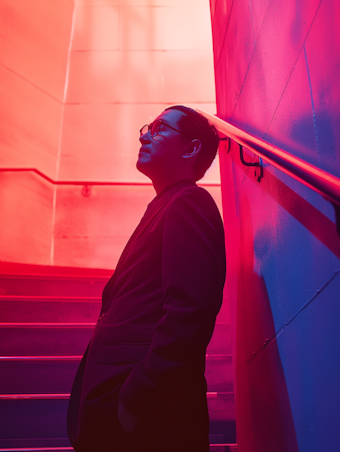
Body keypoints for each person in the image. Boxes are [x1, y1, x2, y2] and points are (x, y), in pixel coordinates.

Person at [67, 105, 226, 452]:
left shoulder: (189, 202)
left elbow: (189, 312)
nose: (143, 135)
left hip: (149, 417)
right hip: (123, 411)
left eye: (158, 129)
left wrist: (136, 398)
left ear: (191, 148)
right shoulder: (166, 206)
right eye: (146, 128)